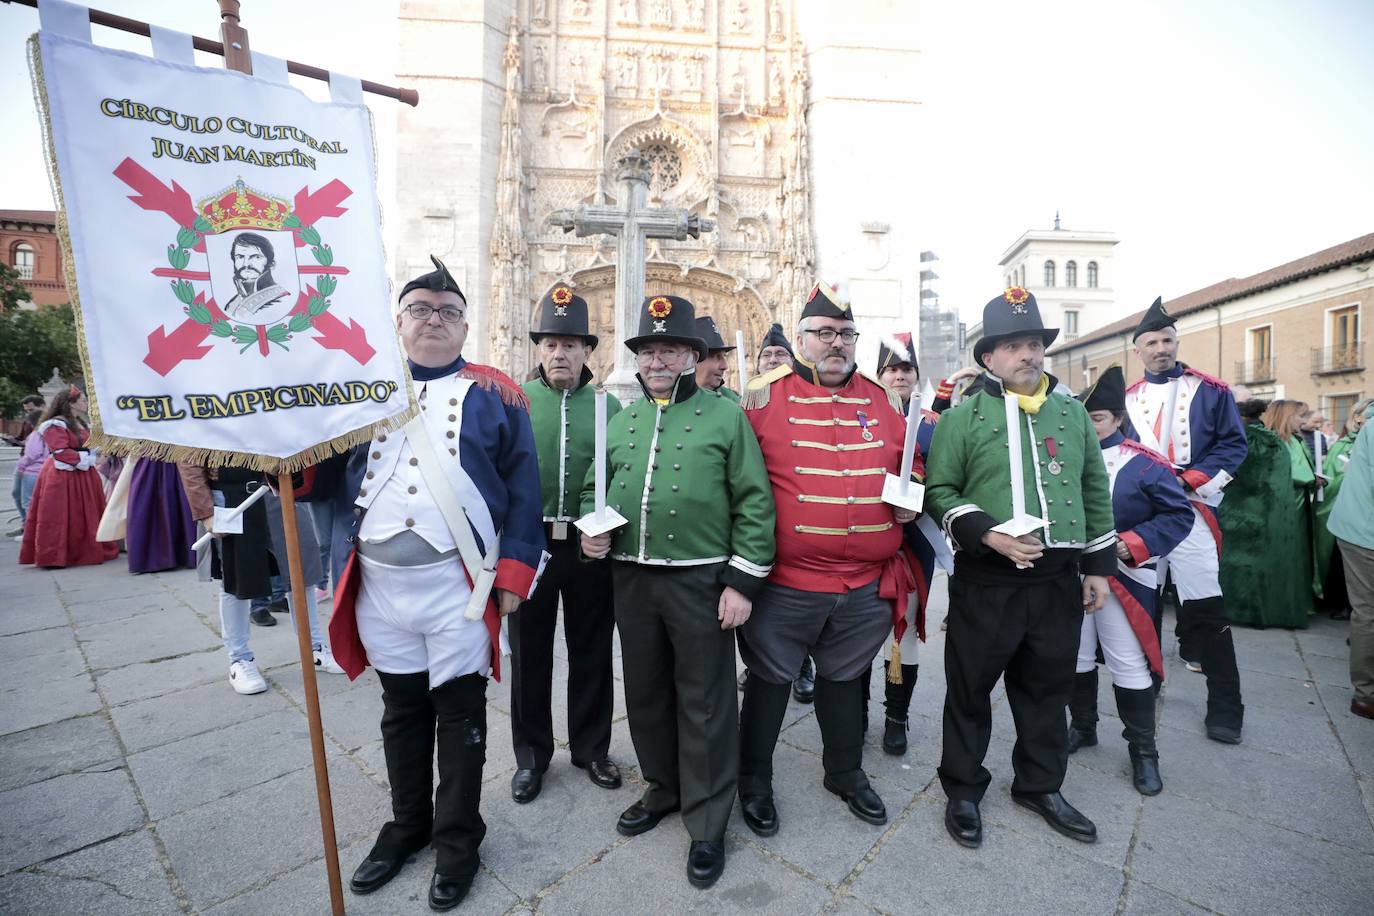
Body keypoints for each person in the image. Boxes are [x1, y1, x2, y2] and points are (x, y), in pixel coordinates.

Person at [327, 257, 545, 910]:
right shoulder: (361, 390)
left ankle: (458, 842)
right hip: (379, 590)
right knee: (401, 713)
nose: (434, 320)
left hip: (460, 589)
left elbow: (525, 489)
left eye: (448, 311)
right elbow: (317, 472)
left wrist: (513, 574)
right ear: (398, 322)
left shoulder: (497, 393)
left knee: (460, 717)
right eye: (421, 309)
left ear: (465, 325)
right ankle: (407, 826)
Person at [580, 294, 775, 890]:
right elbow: (598, 485)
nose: (658, 359)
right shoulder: (623, 417)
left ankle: (709, 820)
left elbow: (754, 502)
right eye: (648, 350)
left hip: (700, 578)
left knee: (707, 700)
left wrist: (741, 582)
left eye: (669, 349)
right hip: (633, 578)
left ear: (692, 355)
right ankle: (663, 787)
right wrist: (595, 528)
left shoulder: (725, 416)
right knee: (645, 692)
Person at [924, 287, 1115, 850]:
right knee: (970, 688)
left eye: (1034, 343)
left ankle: (1039, 785)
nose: (1027, 354)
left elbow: (1092, 489)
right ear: (989, 358)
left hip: (1057, 578)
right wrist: (988, 534)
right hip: (989, 578)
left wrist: (1098, 566)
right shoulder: (962, 417)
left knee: (1047, 688)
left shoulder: (1072, 413)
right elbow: (939, 491)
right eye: (1013, 346)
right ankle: (962, 787)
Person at [736, 282, 920, 837]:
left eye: (845, 334)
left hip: (863, 584)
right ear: (801, 340)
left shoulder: (883, 399)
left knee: (845, 680)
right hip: (787, 582)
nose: (835, 343)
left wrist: (909, 499)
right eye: (823, 334)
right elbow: (739, 487)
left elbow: (906, 469)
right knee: (769, 682)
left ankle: (844, 772)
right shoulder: (761, 398)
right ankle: (754, 781)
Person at [509, 285, 623, 804]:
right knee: (530, 656)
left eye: (571, 344)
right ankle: (531, 757)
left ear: (587, 352)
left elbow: (620, 472)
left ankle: (591, 748)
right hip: (531, 548)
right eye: (551, 343)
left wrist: (603, 527)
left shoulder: (608, 405)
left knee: (592, 651)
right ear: (538, 349)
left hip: (587, 549)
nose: (560, 353)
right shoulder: (514, 401)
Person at [1125, 297, 1247, 743]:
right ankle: (1147, 682)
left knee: (1206, 604)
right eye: (1152, 342)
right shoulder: (1127, 400)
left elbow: (1233, 448)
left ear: (1176, 342)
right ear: (1137, 350)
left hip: (1192, 511)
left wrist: (1188, 482)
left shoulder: (1212, 391)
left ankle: (1226, 704)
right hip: (1142, 518)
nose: (1161, 348)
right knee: (1144, 602)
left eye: (1167, 340)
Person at [1066, 367, 1192, 795]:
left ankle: (1143, 751)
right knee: (1076, 656)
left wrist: (1133, 543)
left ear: (1118, 419)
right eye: (1082, 417)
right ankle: (1083, 727)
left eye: (1097, 418)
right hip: (1069, 575)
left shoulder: (1146, 464)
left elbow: (1179, 514)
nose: (1089, 426)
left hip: (1124, 577)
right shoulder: (1062, 457)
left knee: (1126, 659)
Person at [177, 463, 345, 692]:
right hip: (229, 492)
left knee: (303, 571)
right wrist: (205, 510)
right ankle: (239, 659)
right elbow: (189, 456)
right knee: (236, 579)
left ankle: (313, 648)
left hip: (277, 486)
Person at [873, 332, 940, 756]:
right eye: (891, 369)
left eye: (906, 369)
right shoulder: (864, 415)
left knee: (906, 633)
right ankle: (857, 713)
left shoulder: (936, 424)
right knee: (858, 633)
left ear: (916, 375)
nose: (899, 376)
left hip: (916, 542)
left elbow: (947, 479)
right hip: (865, 541)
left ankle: (896, 718)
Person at [1218, 400, 1311, 630]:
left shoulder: (1250, 439)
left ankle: (1245, 612)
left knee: (1243, 566)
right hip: (1271, 512)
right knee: (1266, 565)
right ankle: (1270, 612)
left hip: (1246, 511)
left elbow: (1239, 477)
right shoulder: (1272, 440)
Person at [19, 387, 120, 568]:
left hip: (82, 474)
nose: (86, 403)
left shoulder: (78, 422)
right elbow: (61, 453)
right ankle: (56, 555)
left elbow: (82, 446)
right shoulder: (55, 424)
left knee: (83, 513)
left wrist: (98, 454)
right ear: (70, 404)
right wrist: (91, 459)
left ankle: (82, 550)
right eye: (82, 400)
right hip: (62, 475)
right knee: (60, 514)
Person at [1327, 399, 1374, 720]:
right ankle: (1367, 694)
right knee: (1368, 612)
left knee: (1366, 611)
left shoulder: (1368, 427)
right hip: (1365, 532)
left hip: (1356, 525)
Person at [1254, 400, 1317, 625]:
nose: (1303, 420)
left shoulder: (1293, 441)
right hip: (1282, 508)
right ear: (1286, 417)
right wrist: (1312, 478)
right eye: (1300, 416)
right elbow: (1290, 472)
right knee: (1283, 557)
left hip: (1296, 505)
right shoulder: (1274, 442)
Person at [1314, 400, 1372, 619]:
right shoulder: (1342, 444)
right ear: (1357, 417)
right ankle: (1340, 604)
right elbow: (1330, 478)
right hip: (1345, 515)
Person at [125, 458, 197, 574]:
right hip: (152, 456)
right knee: (148, 501)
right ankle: (153, 557)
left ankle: (182, 553)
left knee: (179, 501)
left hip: (177, 455)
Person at [223, 231, 291, 321]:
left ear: (271, 264)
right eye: (240, 257)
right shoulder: (233, 303)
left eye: (256, 257)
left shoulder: (281, 300)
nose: (246, 264)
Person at [693, 315, 741, 402]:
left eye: (724, 356)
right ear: (693, 359)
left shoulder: (733, 402)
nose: (725, 366)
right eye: (716, 357)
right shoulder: (669, 400)